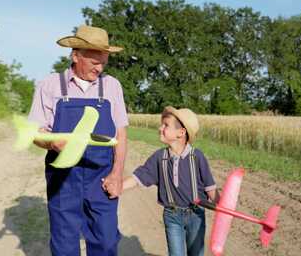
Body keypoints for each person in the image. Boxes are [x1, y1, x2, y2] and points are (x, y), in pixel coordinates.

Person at [28, 25, 128, 255]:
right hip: (63, 178)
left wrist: (116, 173)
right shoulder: (50, 85)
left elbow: (121, 134)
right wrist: (51, 142)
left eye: (104, 61)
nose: (100, 67)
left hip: (100, 176)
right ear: (76, 55)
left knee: (106, 241)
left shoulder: (112, 86)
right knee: (64, 244)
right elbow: (36, 132)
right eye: (94, 62)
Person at [119, 106, 217, 256]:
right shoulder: (159, 157)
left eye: (166, 125)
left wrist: (222, 206)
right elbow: (139, 177)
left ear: (181, 133)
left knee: (196, 253)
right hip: (172, 216)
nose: (160, 128)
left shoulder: (197, 157)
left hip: (196, 215)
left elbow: (210, 187)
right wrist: (118, 186)